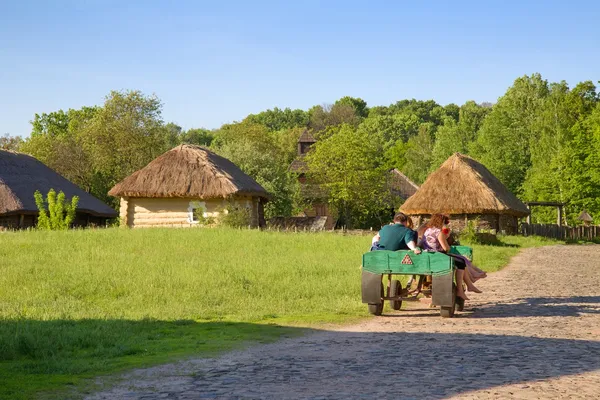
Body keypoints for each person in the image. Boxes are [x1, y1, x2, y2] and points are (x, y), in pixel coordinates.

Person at [421, 214, 481, 300]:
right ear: (441, 222)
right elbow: (446, 248)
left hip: (428, 255)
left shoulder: (427, 231)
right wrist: (447, 237)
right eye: (445, 223)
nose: (445, 225)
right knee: (460, 262)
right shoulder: (438, 232)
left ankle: (470, 283)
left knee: (461, 260)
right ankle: (461, 290)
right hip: (438, 256)